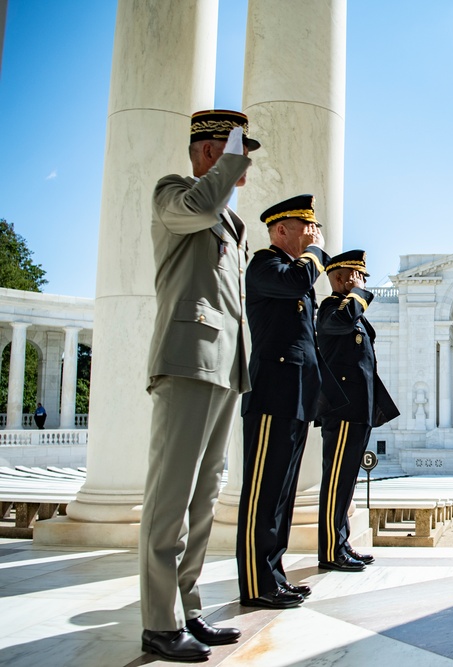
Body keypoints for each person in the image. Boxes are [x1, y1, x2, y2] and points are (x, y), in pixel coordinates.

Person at [140, 109, 258, 662]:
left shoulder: (234, 227)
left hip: (225, 368)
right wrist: (225, 163)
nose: (244, 166)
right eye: (237, 152)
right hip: (187, 360)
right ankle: (159, 622)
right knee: (171, 496)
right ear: (209, 151)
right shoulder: (175, 195)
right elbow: (200, 205)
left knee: (204, 496)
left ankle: (187, 608)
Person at [236, 195, 342, 609]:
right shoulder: (265, 266)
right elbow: (298, 281)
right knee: (262, 492)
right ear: (281, 230)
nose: (312, 236)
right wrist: (315, 253)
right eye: (305, 228)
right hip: (271, 395)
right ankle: (256, 582)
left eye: (313, 231)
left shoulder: (291, 272)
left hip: (296, 397)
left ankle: (274, 574)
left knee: (281, 492)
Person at [315, 250, 399, 571]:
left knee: (347, 481)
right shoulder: (330, 309)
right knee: (336, 480)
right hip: (343, 410)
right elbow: (338, 322)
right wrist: (358, 294)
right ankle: (329, 551)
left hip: (360, 411)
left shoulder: (353, 314)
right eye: (358, 275)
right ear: (342, 278)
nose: (363, 281)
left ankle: (342, 543)